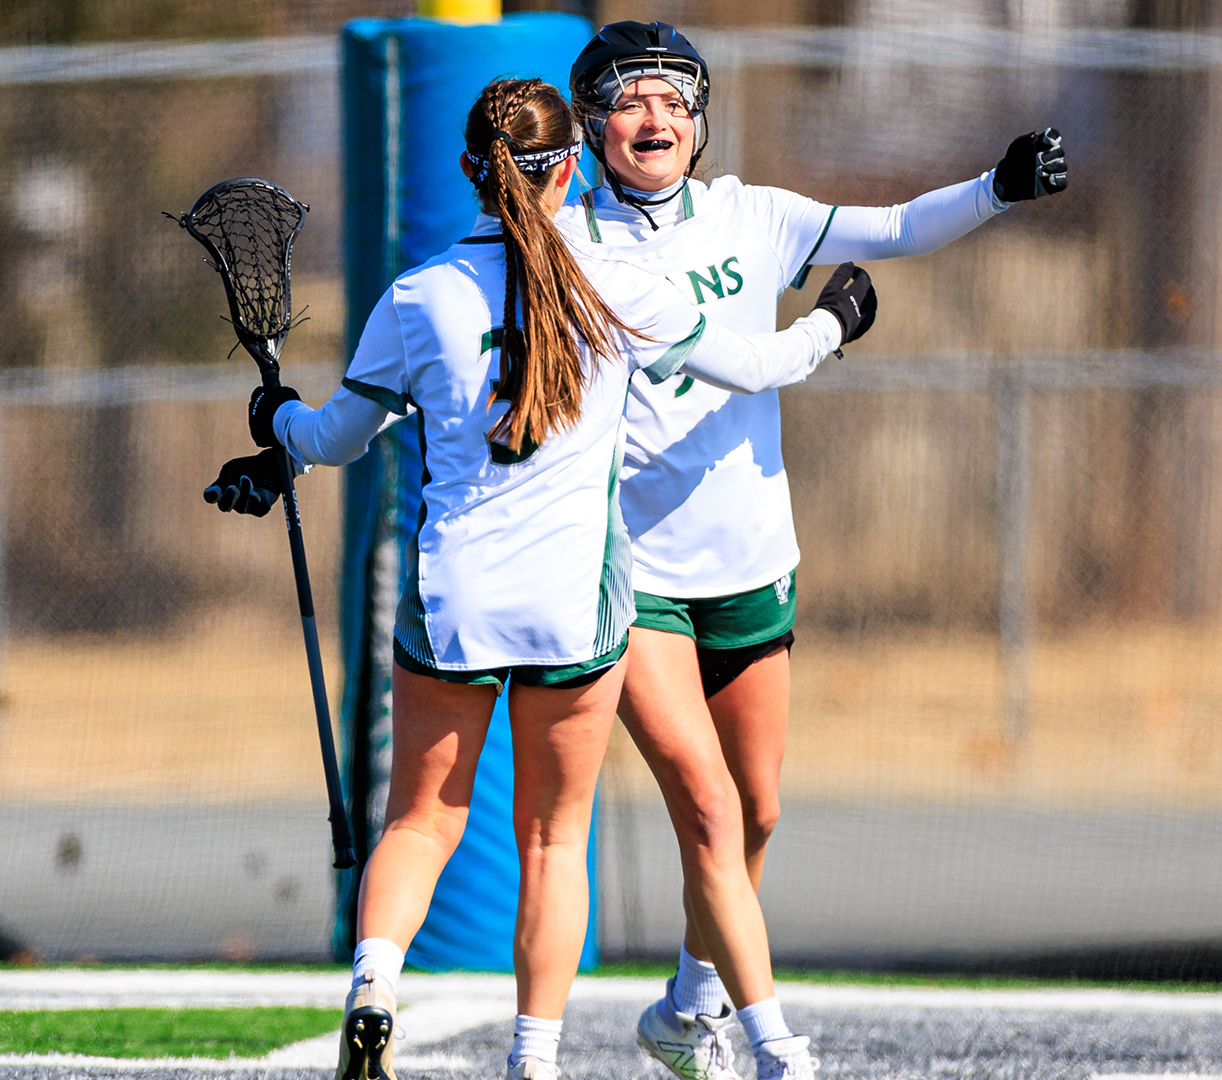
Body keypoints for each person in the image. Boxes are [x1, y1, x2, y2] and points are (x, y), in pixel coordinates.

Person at [203, 77, 877, 1080]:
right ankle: (536, 1059)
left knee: (421, 822)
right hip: (574, 609)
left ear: (472, 171)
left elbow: (338, 436)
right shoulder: (616, 282)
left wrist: (277, 431)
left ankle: (374, 990)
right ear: (571, 166)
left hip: (455, 602)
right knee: (556, 842)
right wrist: (835, 320)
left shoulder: (419, 294)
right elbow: (759, 366)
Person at [562, 21, 1070, 1080]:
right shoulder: (569, 245)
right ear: (592, 123)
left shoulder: (755, 215)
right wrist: (833, 326)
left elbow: (891, 227)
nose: (654, 118)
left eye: (674, 100)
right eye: (629, 98)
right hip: (636, 572)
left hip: (751, 558)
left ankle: (689, 1004)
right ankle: (773, 1045)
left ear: (700, 121)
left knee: (757, 810)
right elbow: (748, 365)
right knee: (703, 804)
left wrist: (997, 187)